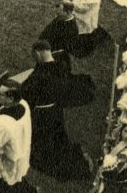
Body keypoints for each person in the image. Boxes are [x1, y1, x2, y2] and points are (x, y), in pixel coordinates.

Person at [22, 40, 91, 181]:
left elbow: (26, 93)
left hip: (42, 114)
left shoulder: (40, 75)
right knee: (57, 138)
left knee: (42, 145)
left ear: (38, 53)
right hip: (55, 110)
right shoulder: (61, 65)